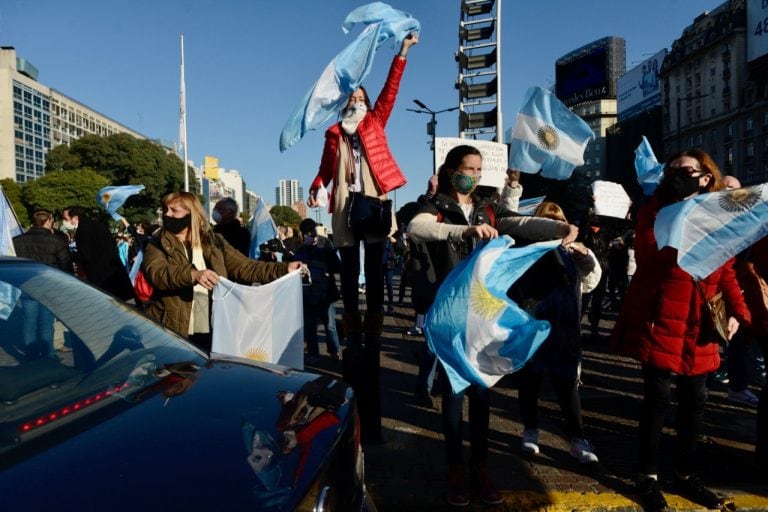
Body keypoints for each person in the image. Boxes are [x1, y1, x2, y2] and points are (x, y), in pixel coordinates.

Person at [407, 145, 578, 507]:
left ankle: (480, 467)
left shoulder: (489, 206)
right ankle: (456, 469)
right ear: (452, 169)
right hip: (451, 312)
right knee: (453, 392)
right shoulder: (435, 205)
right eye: (468, 168)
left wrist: (560, 226)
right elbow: (417, 228)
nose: (474, 175)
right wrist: (465, 231)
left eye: (479, 169)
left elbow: (521, 222)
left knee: (482, 389)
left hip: (484, 312)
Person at [610, 149, 751, 512]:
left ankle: (686, 474)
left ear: (705, 177)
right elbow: (648, 259)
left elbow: (727, 268)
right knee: (656, 401)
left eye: (685, 171)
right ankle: (648, 476)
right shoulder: (653, 211)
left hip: (700, 323)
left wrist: (738, 311)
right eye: (672, 171)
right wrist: (679, 227)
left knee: (695, 403)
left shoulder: (720, 214)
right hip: (661, 318)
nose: (677, 176)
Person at [307, 33, 418, 351]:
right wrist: (317, 186)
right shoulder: (333, 134)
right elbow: (326, 168)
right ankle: (353, 324)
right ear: (343, 106)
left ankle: (374, 325)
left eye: (361, 100)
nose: (356, 104)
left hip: (373, 201)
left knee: (374, 265)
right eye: (351, 100)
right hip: (344, 204)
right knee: (350, 266)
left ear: (368, 105)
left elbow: (390, 91)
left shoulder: (375, 122)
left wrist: (403, 52)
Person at [141, 192, 302, 352]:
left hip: (213, 329)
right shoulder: (157, 243)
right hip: (173, 329)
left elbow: (246, 267)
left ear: (192, 213)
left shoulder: (215, 241)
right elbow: (157, 273)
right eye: (165, 210)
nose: (167, 214)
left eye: (174, 211)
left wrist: (284, 268)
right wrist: (193, 275)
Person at [511, 201, 602, 464]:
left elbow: (591, 281)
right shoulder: (527, 250)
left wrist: (584, 256)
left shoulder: (574, 251)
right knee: (530, 382)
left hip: (565, 330)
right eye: (548, 223)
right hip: (534, 329)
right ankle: (530, 431)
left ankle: (577, 438)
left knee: (567, 386)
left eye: (558, 221)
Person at [13, 209, 74, 359]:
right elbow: (66, 264)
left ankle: (31, 354)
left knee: (29, 321)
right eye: (52, 220)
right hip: (49, 285)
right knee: (47, 323)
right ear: (47, 221)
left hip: (26, 284)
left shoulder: (17, 240)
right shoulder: (56, 241)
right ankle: (48, 355)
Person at [290, 218, 342, 362]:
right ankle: (313, 353)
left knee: (330, 325)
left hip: (326, 293)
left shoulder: (325, 246)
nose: (309, 235)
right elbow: (292, 267)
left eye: (312, 232)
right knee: (310, 325)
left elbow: (337, 267)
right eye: (306, 233)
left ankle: (334, 350)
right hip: (307, 293)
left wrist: (327, 249)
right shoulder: (299, 250)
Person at [62, 206, 135, 301]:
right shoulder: (98, 225)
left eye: (65, 219)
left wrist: (67, 253)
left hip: (101, 278)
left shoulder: (83, 230)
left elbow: (85, 256)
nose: (64, 222)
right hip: (115, 274)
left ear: (75, 218)